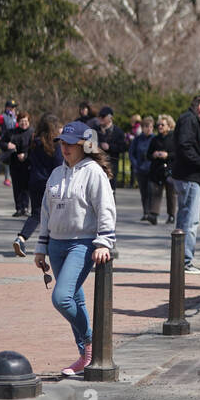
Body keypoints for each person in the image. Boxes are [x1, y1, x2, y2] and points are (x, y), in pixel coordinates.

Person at [32, 122, 116, 377]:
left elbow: (105, 207)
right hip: (56, 244)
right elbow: (45, 213)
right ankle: (86, 356)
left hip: (82, 243)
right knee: (75, 298)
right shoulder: (56, 174)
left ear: (83, 145)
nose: (65, 148)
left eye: (70, 143)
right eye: (62, 143)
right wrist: (41, 247)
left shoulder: (93, 172)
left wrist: (104, 241)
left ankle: (92, 342)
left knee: (61, 297)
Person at [172, 96, 200, 272]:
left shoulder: (189, 120)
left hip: (187, 176)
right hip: (189, 177)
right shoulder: (189, 120)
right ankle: (185, 261)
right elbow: (185, 146)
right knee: (189, 221)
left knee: (184, 219)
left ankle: (180, 260)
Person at [15, 114, 63, 257]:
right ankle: (50, 244)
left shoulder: (35, 142)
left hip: (35, 182)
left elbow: (30, 161)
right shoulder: (56, 144)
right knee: (54, 214)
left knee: (36, 213)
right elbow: (59, 164)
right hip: (51, 183)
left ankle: (21, 238)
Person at [146, 114, 178, 225]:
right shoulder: (155, 139)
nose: (159, 126)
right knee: (156, 192)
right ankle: (153, 214)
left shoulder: (174, 138)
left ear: (169, 126)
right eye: (158, 124)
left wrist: (167, 155)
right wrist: (154, 155)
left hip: (170, 169)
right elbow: (148, 155)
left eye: (162, 125)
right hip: (157, 169)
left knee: (171, 193)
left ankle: (171, 215)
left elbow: (178, 154)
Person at [1, 110, 34, 218]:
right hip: (14, 163)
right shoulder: (11, 132)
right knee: (17, 186)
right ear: (18, 122)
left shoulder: (32, 133)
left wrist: (26, 155)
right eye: (21, 121)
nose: (24, 123)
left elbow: (35, 148)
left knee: (26, 187)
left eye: (25, 121)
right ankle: (19, 208)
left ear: (29, 122)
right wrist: (7, 145)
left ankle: (25, 207)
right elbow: (2, 142)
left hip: (28, 163)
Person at [129, 116, 155, 219]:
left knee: (151, 191)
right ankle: (146, 212)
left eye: (151, 127)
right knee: (143, 192)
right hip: (140, 169)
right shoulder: (137, 139)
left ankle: (151, 212)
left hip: (151, 169)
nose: (149, 129)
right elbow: (131, 153)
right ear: (143, 128)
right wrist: (136, 164)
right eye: (147, 127)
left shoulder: (154, 139)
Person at [0, 100, 17, 187]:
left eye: (14, 107)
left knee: (7, 160)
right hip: (3, 141)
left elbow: (16, 127)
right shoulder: (2, 117)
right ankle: (4, 179)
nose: (13, 109)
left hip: (11, 141)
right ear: (7, 108)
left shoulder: (14, 117)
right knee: (5, 158)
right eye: (11, 107)